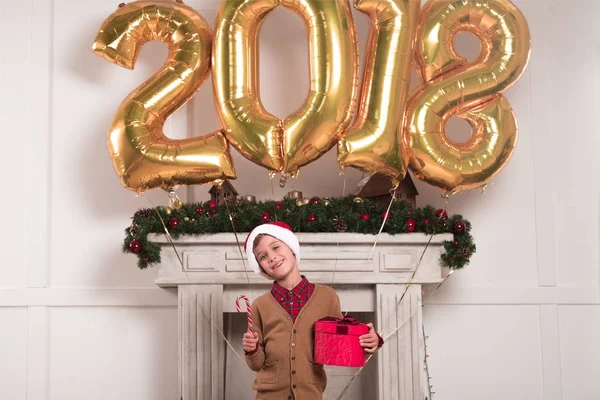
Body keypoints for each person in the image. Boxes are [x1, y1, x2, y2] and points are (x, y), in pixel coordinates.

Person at [241, 221, 382, 400]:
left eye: (276, 247)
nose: (272, 257)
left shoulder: (327, 297)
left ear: (291, 248)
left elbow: (341, 347)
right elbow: (256, 364)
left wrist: (369, 341)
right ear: (261, 267)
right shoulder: (259, 306)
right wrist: (252, 350)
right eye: (263, 256)